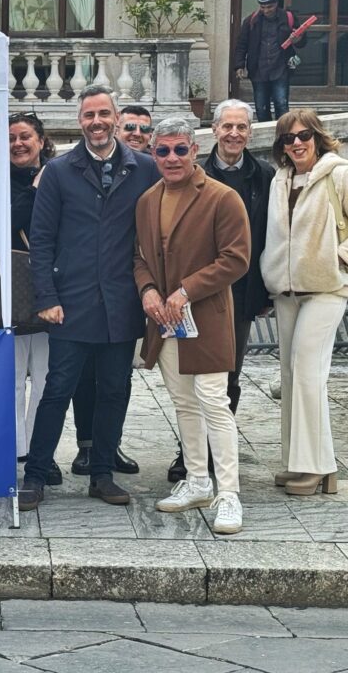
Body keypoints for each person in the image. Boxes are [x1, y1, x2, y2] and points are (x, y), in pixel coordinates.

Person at [19, 85, 159, 511]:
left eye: (103, 114)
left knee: (116, 389)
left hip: (121, 300)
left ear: (116, 119)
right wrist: (47, 295)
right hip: (71, 301)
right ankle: (36, 474)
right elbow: (41, 240)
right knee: (58, 389)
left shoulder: (146, 169)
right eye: (88, 115)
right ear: (79, 122)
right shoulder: (60, 171)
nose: (96, 122)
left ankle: (101, 473)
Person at [134, 118, 251, 535]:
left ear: (194, 150)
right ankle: (198, 479)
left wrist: (185, 290)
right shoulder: (148, 199)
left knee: (214, 402)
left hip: (207, 317)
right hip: (165, 320)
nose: (171, 158)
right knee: (183, 402)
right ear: (153, 154)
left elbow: (236, 259)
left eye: (179, 149)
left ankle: (229, 493)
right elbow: (140, 256)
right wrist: (148, 290)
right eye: (162, 150)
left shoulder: (223, 197)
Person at [165, 99, 275, 484]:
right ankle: (189, 454)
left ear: (250, 132)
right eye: (226, 126)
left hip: (241, 297)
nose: (233, 134)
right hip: (192, 295)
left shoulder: (264, 175)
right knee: (190, 379)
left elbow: (267, 240)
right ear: (213, 131)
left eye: (241, 127)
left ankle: (215, 454)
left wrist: (264, 294)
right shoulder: (194, 173)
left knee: (227, 378)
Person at [260, 108, 347, 496]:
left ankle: (317, 465)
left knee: (308, 371)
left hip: (327, 289)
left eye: (303, 136)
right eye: (288, 139)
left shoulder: (339, 173)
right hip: (287, 291)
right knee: (292, 376)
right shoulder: (281, 179)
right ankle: (301, 463)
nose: (296, 143)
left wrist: (339, 260)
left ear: (317, 137)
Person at [69, 104, 154, 476]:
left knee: (119, 378)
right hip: (86, 288)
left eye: (142, 129)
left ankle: (109, 445)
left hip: (130, 288)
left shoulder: (150, 171)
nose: (135, 133)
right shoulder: (77, 167)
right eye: (131, 126)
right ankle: (86, 446)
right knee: (85, 373)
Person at [9, 112, 59, 484]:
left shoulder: (61, 176)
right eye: (11, 138)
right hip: (7, 290)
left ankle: (42, 449)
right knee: (10, 376)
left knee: (45, 377)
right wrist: (34, 190)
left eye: (25, 136)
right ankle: (15, 447)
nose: (18, 144)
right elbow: (8, 222)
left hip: (51, 289)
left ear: (41, 140)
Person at [234, 0, 307, 122]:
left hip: (280, 69)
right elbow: (241, 44)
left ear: (276, 4)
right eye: (263, 7)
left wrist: (298, 39)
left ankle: (283, 138)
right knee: (261, 108)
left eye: (269, 7)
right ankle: (266, 138)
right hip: (258, 70)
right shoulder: (251, 21)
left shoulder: (288, 18)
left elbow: (302, 41)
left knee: (282, 105)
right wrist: (239, 65)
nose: (266, 10)